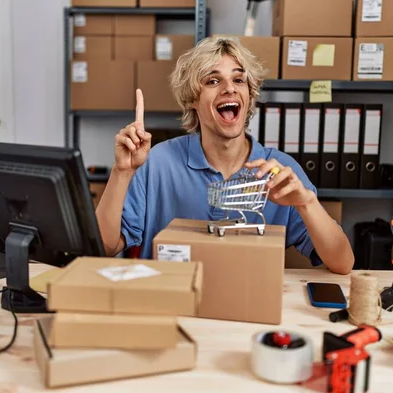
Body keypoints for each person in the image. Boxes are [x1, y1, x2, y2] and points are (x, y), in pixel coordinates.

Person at [95, 36, 354, 275]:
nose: (229, 88)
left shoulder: (281, 171)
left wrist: (306, 203)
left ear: (249, 97)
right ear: (192, 100)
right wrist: (123, 172)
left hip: (247, 307)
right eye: (213, 80)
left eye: (239, 80)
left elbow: (343, 264)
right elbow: (104, 247)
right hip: (173, 304)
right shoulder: (158, 162)